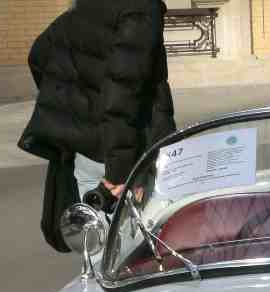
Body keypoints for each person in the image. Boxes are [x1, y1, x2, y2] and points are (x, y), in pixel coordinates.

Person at [18, 0, 176, 251]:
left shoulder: (89, 5)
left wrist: (80, 109)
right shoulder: (141, 7)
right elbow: (122, 91)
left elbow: (39, 54)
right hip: (126, 158)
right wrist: (119, 170)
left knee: (97, 255)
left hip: (90, 152)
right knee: (133, 261)